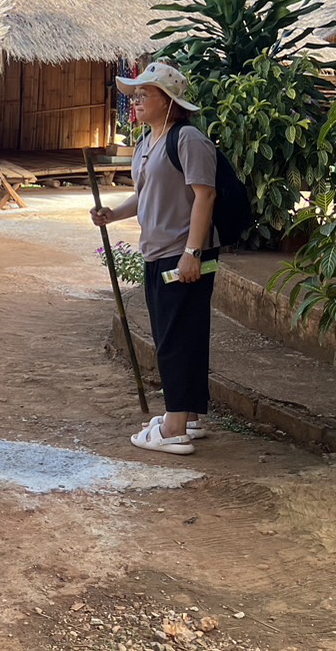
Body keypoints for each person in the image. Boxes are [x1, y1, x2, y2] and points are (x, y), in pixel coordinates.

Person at [91, 62, 218, 456]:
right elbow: (145, 195)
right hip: (158, 252)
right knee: (176, 334)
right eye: (136, 95)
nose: (137, 101)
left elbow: (205, 196)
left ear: (168, 101)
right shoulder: (148, 142)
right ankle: (188, 415)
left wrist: (192, 253)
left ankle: (174, 427)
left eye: (145, 94)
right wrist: (113, 214)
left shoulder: (188, 139)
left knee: (176, 339)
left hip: (184, 254)